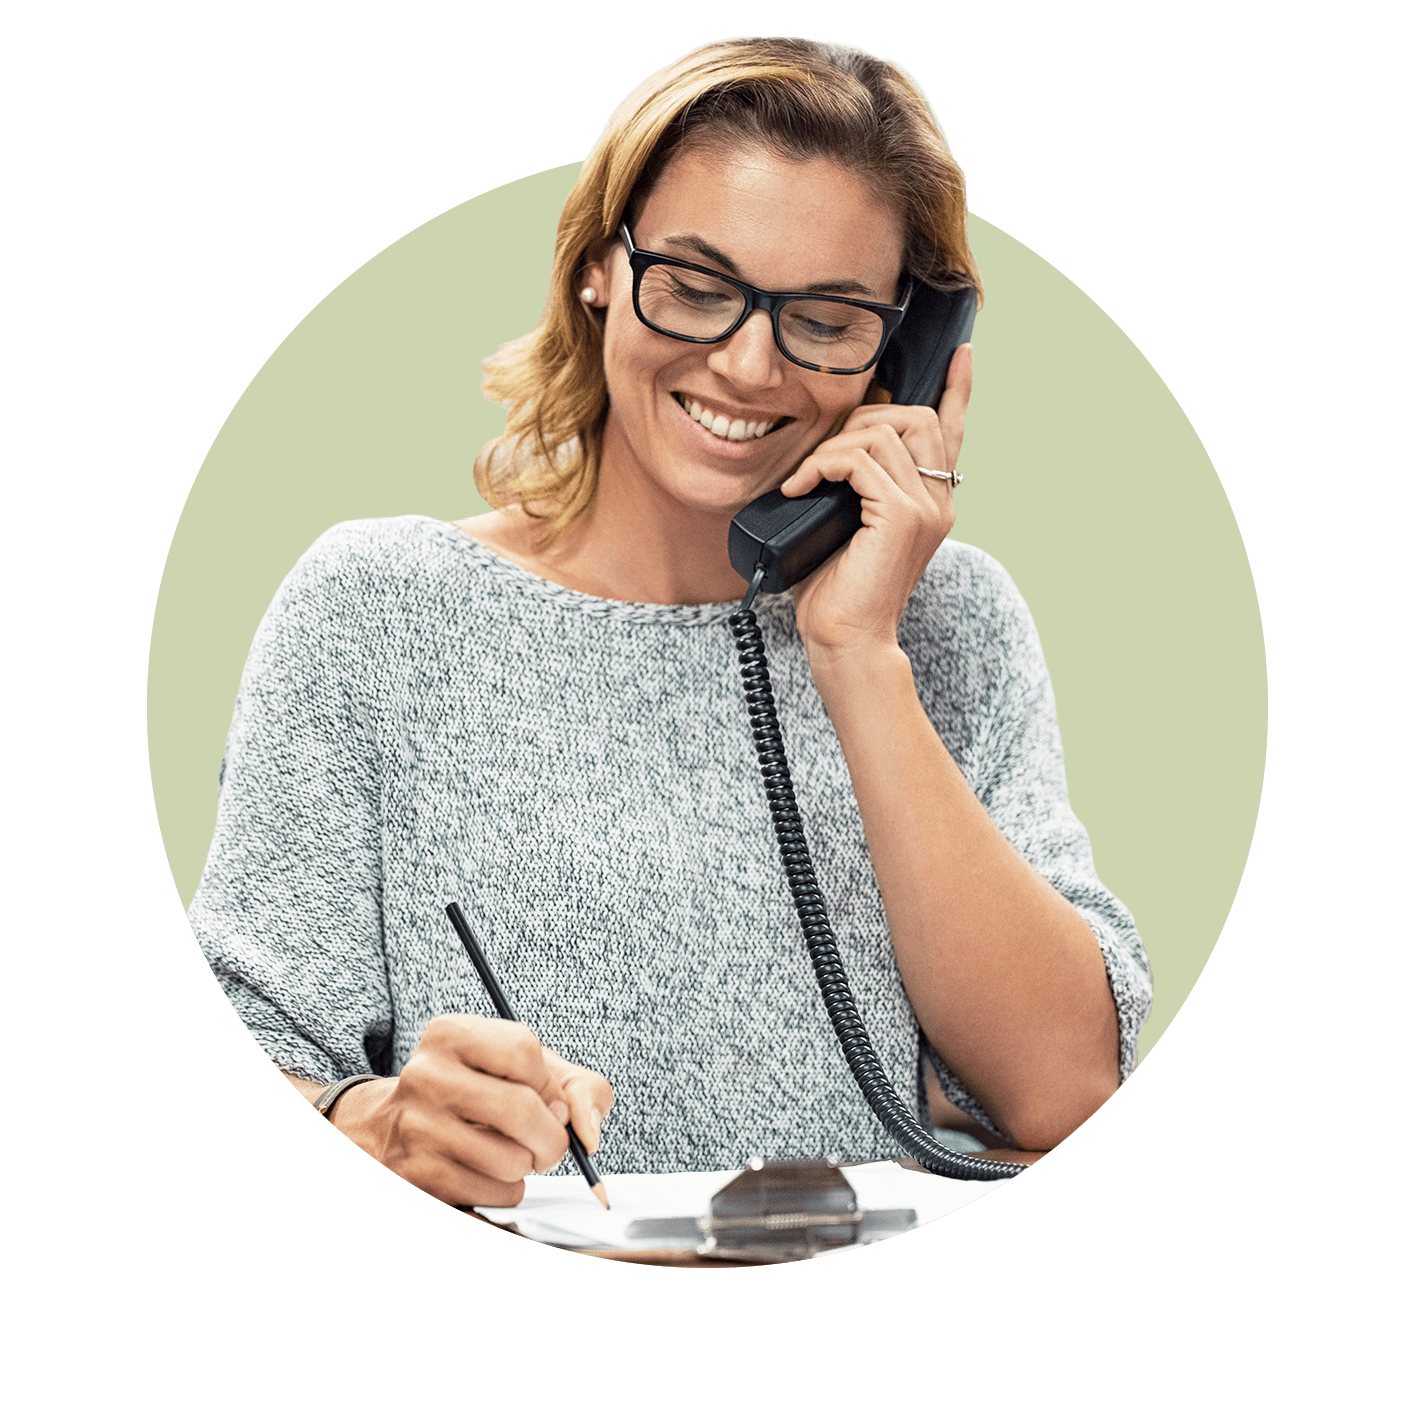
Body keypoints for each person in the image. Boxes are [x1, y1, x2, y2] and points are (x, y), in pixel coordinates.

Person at [190, 36, 1151, 1211]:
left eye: (829, 317)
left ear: (905, 347)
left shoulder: (945, 621)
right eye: (695, 285)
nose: (748, 364)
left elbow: (1061, 1091)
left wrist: (854, 652)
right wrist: (370, 1119)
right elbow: (262, 1032)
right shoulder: (374, 605)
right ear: (600, 264)